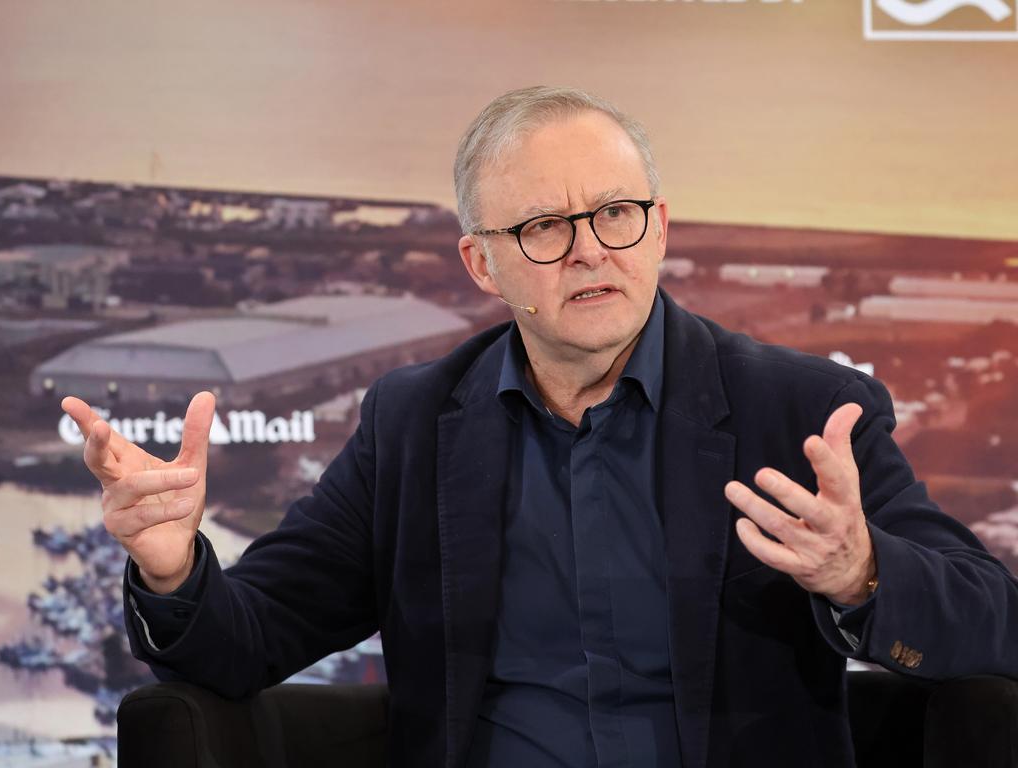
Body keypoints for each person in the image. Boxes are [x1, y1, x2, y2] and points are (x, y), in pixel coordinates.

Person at [62, 86, 1018, 768]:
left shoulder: (797, 410)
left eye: (617, 215)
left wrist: (862, 574)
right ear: (482, 263)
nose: (592, 250)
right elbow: (248, 640)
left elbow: (992, 619)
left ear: (663, 225)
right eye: (545, 228)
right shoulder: (416, 422)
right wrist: (170, 564)